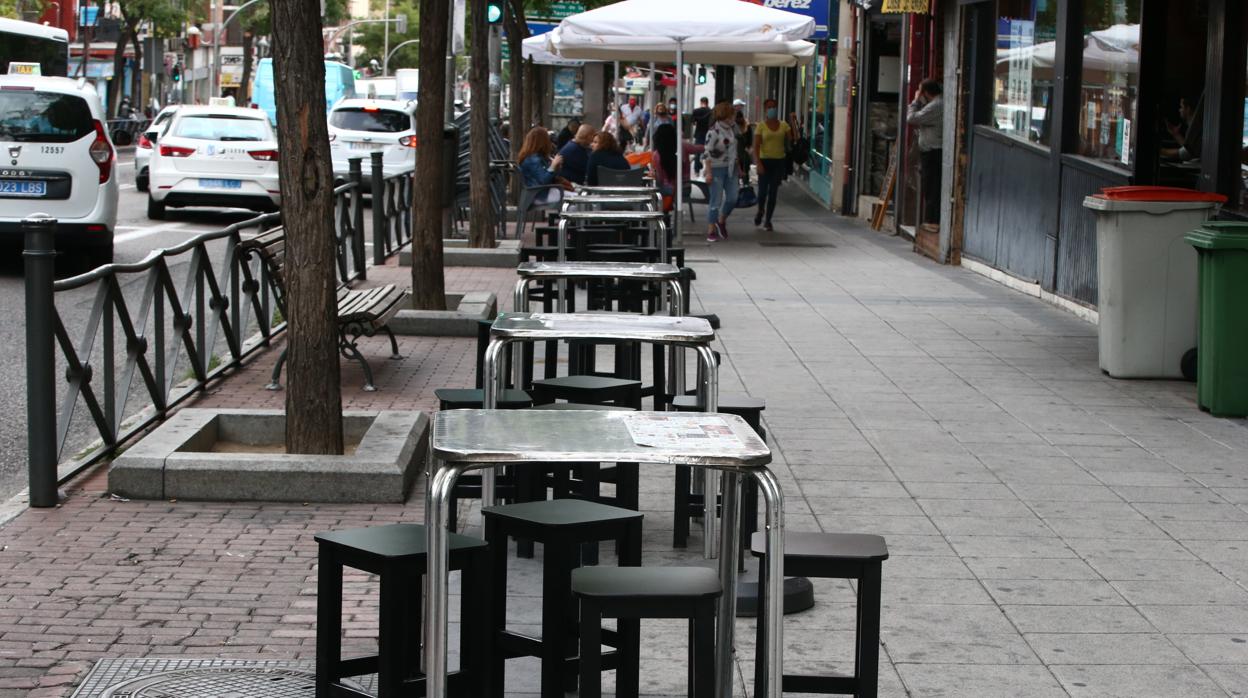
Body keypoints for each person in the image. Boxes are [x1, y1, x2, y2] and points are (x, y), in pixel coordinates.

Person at [752, 98, 795, 231]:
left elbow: (793, 139)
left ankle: (768, 220)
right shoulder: (761, 126)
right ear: (765, 110)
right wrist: (758, 163)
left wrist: (793, 121)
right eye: (769, 107)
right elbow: (756, 146)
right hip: (764, 162)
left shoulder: (783, 125)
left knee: (773, 192)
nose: (772, 109)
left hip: (779, 162)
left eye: (774, 107)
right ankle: (760, 210)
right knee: (762, 191)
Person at [906, 78, 943, 225]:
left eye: (920, 91)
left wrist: (915, 101)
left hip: (933, 152)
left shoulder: (936, 105)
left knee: (931, 187)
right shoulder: (936, 104)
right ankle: (931, 220)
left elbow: (911, 118)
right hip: (932, 150)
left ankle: (931, 221)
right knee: (930, 186)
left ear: (925, 92)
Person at [702, 101, 740, 242]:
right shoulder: (713, 132)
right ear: (726, 115)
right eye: (732, 115)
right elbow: (707, 153)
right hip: (716, 168)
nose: (734, 118)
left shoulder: (732, 129)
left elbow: (735, 150)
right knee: (715, 200)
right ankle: (711, 228)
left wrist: (739, 168)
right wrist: (709, 172)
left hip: (731, 168)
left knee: (732, 198)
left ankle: (721, 219)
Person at [649, 122, 704, 206]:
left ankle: (662, 211)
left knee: (651, 191)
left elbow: (659, 179)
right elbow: (700, 148)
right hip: (684, 187)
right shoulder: (683, 145)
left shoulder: (656, 155)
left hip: (667, 190)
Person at [517, 126, 566, 204]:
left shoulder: (537, 157)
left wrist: (556, 167)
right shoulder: (533, 159)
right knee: (574, 200)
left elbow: (550, 177)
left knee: (574, 197)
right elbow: (543, 180)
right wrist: (552, 167)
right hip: (540, 195)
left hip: (541, 193)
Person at [733, 99, 754, 187]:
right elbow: (749, 138)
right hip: (740, 151)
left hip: (741, 152)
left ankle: (741, 184)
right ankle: (742, 184)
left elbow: (749, 138)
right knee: (742, 169)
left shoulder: (744, 125)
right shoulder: (735, 126)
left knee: (742, 169)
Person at [691, 96, 712, 175]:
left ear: (701, 102)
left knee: (697, 151)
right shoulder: (711, 111)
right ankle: (706, 169)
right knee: (708, 152)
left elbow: (693, 122)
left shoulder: (696, 111)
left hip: (699, 134)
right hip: (709, 134)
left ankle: (697, 170)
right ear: (707, 102)